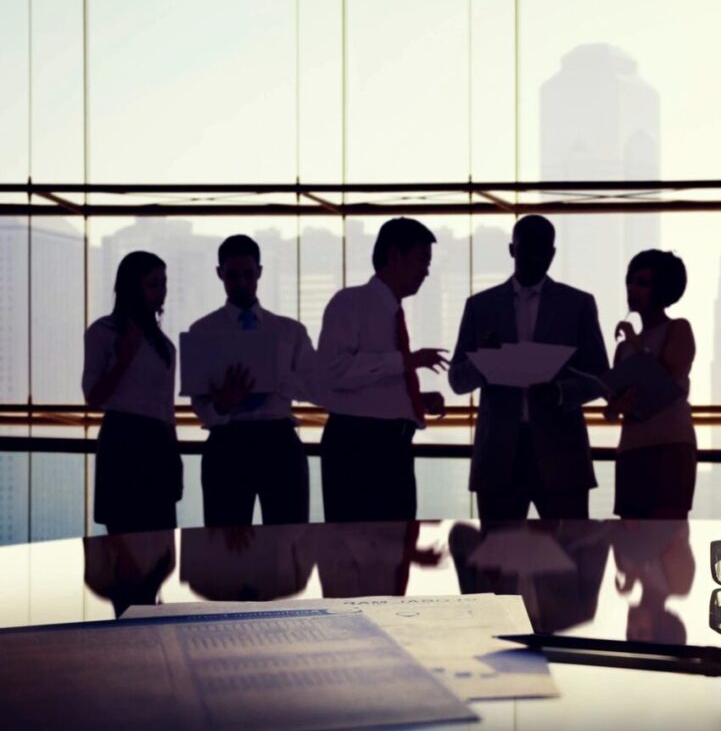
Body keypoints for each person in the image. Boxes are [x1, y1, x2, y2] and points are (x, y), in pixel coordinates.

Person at [448, 215, 608, 522]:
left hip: (561, 454)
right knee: (496, 560)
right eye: (526, 248)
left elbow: (600, 376)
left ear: (552, 253)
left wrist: (560, 392)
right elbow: (457, 379)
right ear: (512, 249)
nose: (534, 256)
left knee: (570, 561)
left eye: (542, 249)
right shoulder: (480, 306)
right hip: (498, 455)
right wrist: (487, 364)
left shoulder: (578, 305)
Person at [315, 217, 447, 523]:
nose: (426, 271)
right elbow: (333, 371)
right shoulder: (349, 302)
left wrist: (414, 397)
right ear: (394, 257)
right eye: (422, 260)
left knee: (397, 549)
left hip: (394, 446)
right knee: (352, 552)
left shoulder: (392, 309)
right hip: (358, 446)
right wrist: (405, 362)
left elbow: (366, 384)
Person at [187, 234, 318, 527]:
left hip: (279, 440)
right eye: (233, 275)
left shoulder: (291, 332)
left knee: (288, 543)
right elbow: (199, 403)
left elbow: (316, 387)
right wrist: (221, 405)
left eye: (248, 274)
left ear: (260, 271)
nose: (242, 282)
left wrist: (279, 379)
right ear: (219, 273)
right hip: (228, 441)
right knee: (225, 548)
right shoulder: (201, 332)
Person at [82, 250, 181, 535]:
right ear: (132, 286)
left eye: (163, 283)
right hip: (123, 439)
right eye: (153, 284)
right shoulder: (103, 332)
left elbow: (167, 407)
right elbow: (93, 397)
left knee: (160, 543)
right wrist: (124, 358)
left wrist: (174, 457)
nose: (161, 291)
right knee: (124, 542)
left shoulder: (164, 344)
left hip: (159, 441)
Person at [607, 249, 697, 520]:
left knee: (669, 541)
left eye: (642, 283)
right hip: (632, 448)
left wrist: (636, 342)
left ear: (662, 289)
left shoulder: (678, 329)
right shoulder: (623, 348)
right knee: (630, 548)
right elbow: (612, 410)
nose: (632, 289)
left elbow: (665, 383)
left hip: (670, 447)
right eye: (630, 281)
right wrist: (615, 405)